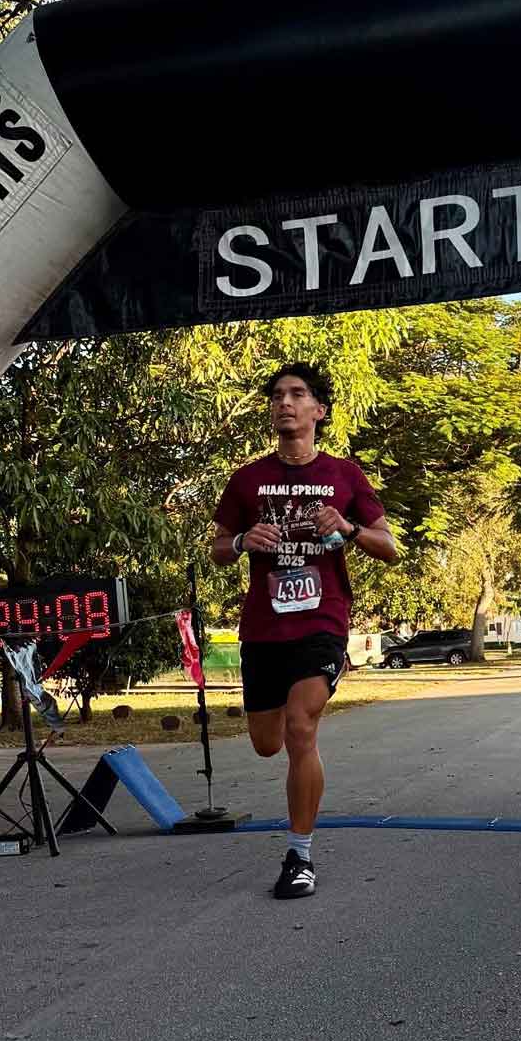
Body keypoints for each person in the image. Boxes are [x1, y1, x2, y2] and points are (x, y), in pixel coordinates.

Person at [211, 362, 398, 899]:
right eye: (277, 396)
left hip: (323, 621)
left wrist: (348, 527)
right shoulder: (246, 479)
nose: (284, 403)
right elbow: (220, 548)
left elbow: (387, 547)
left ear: (320, 410)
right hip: (264, 628)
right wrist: (246, 541)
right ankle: (299, 838)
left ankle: (300, 854)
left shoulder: (346, 476)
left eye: (297, 395)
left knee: (301, 728)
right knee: (268, 743)